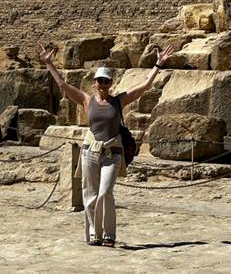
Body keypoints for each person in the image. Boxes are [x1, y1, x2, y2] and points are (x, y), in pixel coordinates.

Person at [38, 43, 173, 247]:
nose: (103, 84)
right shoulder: (86, 100)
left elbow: (144, 86)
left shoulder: (119, 101)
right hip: (91, 152)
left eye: (106, 81)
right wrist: (49, 64)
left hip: (113, 153)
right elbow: (63, 86)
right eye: (100, 80)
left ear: (111, 83)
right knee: (90, 195)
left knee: (105, 193)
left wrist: (158, 64)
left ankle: (109, 234)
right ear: (95, 83)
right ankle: (94, 234)